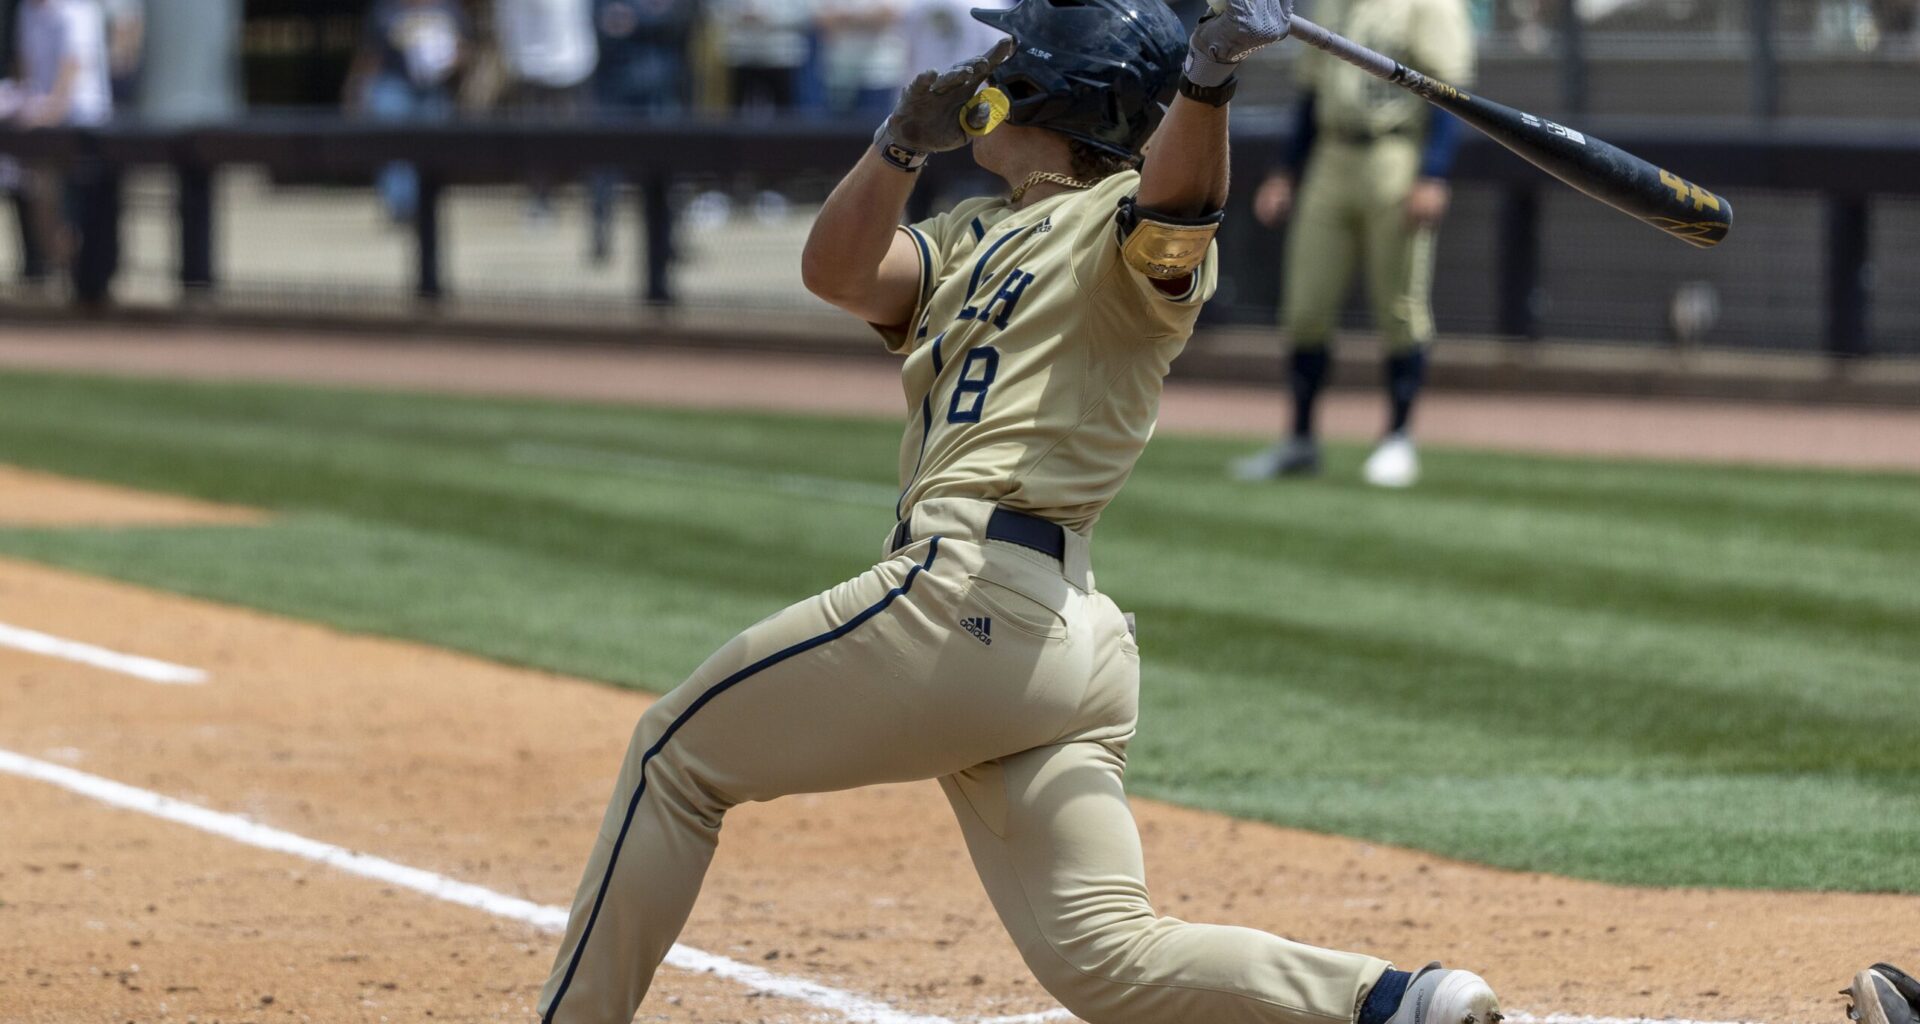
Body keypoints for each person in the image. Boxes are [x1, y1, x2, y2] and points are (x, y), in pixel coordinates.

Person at [533, 3, 1506, 1024]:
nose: (986, 64)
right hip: (1060, 643)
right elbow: (837, 272)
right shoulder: (970, 234)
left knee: (675, 754)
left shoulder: (1129, 219)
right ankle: (1400, 1003)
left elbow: (1180, 208)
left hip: (968, 596)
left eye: (1009, 53)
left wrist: (1209, 76)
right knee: (1106, 959)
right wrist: (900, 140)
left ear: (1057, 82)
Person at [1229, 0, 1474, 488]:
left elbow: (1449, 92)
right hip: (1331, 154)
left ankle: (1398, 437)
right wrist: (1285, 172)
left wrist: (1434, 172)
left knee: (1399, 305)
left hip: (1395, 152)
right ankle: (1300, 438)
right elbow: (1310, 94)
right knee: (1305, 308)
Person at [12, 0, 117, 303]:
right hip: (44, 127)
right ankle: (66, 270)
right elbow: (26, 70)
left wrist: (42, 113)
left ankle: (87, 280)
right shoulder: (27, 11)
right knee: (37, 191)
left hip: (85, 126)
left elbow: (71, 74)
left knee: (82, 212)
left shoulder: (78, 9)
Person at [343, 0, 468, 224]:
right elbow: (371, 55)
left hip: (433, 88)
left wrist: (450, 59)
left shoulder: (448, 9)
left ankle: (425, 203)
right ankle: (402, 206)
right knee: (392, 137)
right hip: (394, 83)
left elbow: (464, 54)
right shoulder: (385, 10)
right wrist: (357, 89)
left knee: (433, 145)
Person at [709, 0, 810, 115]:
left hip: (781, 57)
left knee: (785, 118)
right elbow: (715, 9)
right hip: (740, 55)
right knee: (735, 118)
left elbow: (804, 12)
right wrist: (739, 15)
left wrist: (770, 17)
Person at [814, 0, 907, 117]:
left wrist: (844, 19)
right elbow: (822, 19)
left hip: (878, 76)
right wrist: (864, 18)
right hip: (838, 76)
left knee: (877, 132)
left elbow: (887, 15)